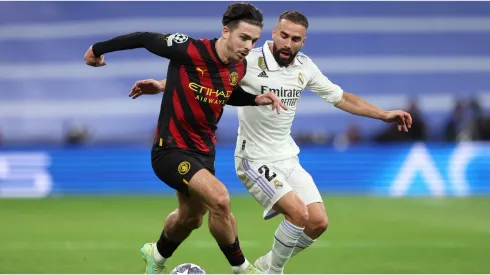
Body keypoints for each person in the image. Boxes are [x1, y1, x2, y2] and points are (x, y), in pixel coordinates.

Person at [129, 10, 413, 274]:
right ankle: (266, 272)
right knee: (297, 214)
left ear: (304, 41)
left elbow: (342, 98)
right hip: (254, 158)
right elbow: (206, 76)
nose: (288, 43)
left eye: (296, 39)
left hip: (287, 156)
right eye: (284, 35)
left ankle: (265, 265)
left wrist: (383, 114)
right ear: (274, 33)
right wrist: (161, 84)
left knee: (317, 222)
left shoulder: (305, 68)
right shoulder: (248, 60)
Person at [84, 3, 288, 274]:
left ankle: (155, 256)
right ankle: (243, 269)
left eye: (253, 40)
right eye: (244, 38)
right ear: (226, 32)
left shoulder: (238, 67)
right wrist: (97, 49)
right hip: (170, 148)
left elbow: (225, 92)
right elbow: (144, 38)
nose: (249, 46)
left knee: (191, 218)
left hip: (203, 152)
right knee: (220, 198)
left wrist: (254, 99)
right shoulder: (189, 49)